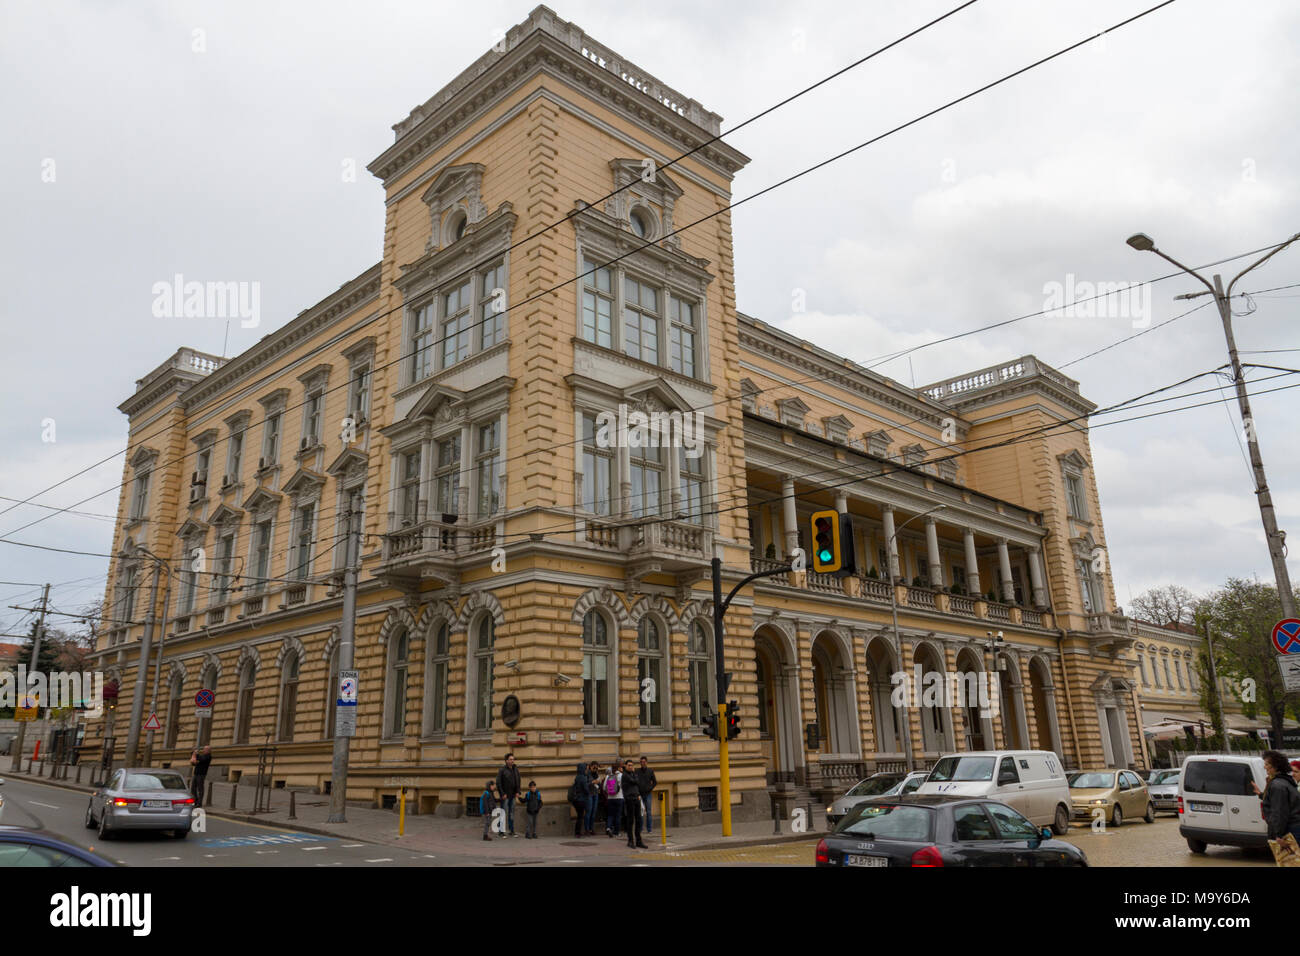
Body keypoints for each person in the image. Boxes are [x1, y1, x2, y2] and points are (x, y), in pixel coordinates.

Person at [1259, 750, 1300, 845]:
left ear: (1276, 766)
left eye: (1267, 764)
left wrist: (1279, 834)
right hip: (1293, 828)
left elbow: (1279, 811)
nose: (1265, 767)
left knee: (1290, 859)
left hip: (1289, 830)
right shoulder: (1286, 781)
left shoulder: (1277, 785)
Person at [620, 759, 648, 848]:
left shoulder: (633, 773)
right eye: (629, 765)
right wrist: (635, 776)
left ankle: (639, 841)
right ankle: (630, 841)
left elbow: (637, 782)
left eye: (632, 765)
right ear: (625, 766)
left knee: (639, 820)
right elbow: (634, 781)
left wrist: (638, 794)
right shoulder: (625, 775)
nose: (631, 767)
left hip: (636, 798)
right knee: (630, 821)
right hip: (629, 799)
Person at [496, 753, 522, 838]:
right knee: (504, 813)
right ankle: (501, 831)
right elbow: (498, 783)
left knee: (511, 814)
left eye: (513, 759)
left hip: (513, 795)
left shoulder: (515, 769)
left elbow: (518, 781)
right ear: (506, 761)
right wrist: (502, 794)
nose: (512, 761)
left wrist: (518, 791)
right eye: (510, 759)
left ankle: (512, 831)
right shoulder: (502, 770)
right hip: (505, 796)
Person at [637, 756, 658, 834]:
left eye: (644, 762)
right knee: (641, 812)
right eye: (641, 762)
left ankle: (649, 829)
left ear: (647, 762)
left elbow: (655, 782)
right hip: (640, 794)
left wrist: (650, 788)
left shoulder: (650, 771)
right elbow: (635, 782)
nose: (643, 763)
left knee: (649, 812)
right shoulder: (637, 771)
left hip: (648, 794)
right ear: (640, 763)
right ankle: (641, 828)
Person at [569, 763, 589, 837]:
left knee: (579, 816)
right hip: (581, 799)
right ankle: (577, 833)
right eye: (586, 769)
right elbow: (585, 789)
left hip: (575, 800)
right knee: (580, 817)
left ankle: (577, 832)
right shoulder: (583, 778)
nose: (587, 770)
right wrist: (588, 793)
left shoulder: (577, 777)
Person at [604, 761, 623, 837]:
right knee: (618, 815)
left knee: (610, 815)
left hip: (610, 798)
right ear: (618, 768)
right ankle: (617, 832)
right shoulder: (621, 775)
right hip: (619, 797)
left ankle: (608, 828)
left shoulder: (608, 776)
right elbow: (624, 786)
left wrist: (609, 793)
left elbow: (604, 787)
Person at [585, 760, 601, 836]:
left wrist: (599, 782)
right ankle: (587, 829)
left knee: (594, 813)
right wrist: (592, 782)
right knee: (588, 812)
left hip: (595, 794)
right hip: (589, 795)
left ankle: (591, 829)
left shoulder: (596, 774)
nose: (595, 769)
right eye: (593, 767)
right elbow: (585, 784)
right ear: (590, 767)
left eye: (596, 767)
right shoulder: (587, 774)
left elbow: (599, 783)